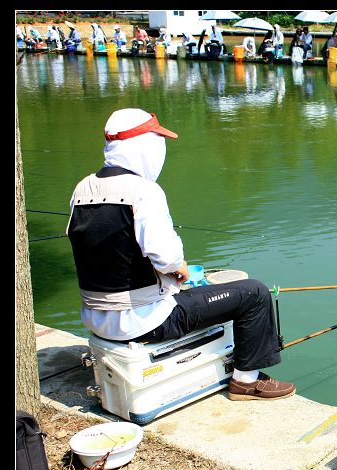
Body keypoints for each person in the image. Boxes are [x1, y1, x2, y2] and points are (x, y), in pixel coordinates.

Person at [66, 108, 296, 402]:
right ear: (143, 145)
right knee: (254, 293)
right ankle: (246, 381)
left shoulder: (83, 189)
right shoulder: (143, 190)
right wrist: (181, 267)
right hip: (145, 320)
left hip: (96, 318)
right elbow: (166, 256)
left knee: (203, 293)